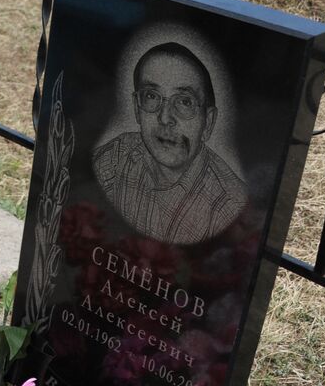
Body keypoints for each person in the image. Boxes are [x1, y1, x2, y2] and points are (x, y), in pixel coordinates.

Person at [93, 42, 249, 245]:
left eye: (184, 101)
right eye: (151, 96)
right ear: (136, 107)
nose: (165, 117)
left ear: (208, 122)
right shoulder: (117, 155)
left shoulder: (230, 208)